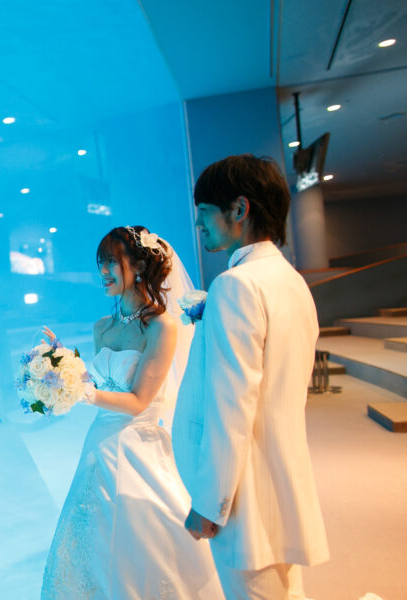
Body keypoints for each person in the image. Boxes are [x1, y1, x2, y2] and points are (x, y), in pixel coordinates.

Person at [172, 154, 330, 599]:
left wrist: (210, 503)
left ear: (238, 209)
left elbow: (232, 405)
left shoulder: (236, 285)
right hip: (282, 479)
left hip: (246, 496)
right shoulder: (292, 281)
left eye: (204, 212)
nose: (199, 225)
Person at [40, 226, 222, 599]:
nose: (103, 272)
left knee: (147, 541)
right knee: (91, 540)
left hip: (139, 444)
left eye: (111, 262)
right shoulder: (101, 328)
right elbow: (99, 383)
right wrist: (57, 369)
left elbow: (139, 400)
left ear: (138, 266)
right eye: (100, 264)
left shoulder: (161, 327)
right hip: (98, 445)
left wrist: (83, 393)